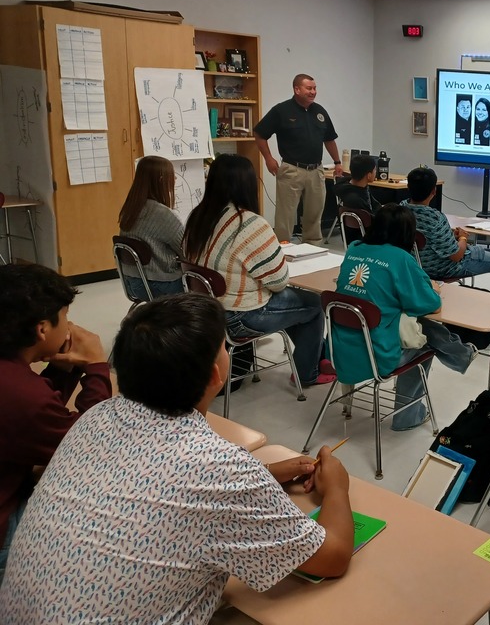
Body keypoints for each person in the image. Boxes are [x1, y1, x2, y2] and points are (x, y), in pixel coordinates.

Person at [0, 294, 354, 623]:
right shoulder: (221, 469)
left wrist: (262, 475)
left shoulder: (97, 415)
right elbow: (332, 558)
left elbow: (148, 482)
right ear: (216, 375)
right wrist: (337, 488)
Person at [0, 263, 111, 584]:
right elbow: (92, 445)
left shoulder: (15, 380)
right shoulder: (20, 394)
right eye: (64, 318)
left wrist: (65, 370)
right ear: (42, 329)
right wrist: (96, 366)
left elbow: (35, 420)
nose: (70, 327)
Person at [182, 154, 331, 387]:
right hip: (239, 316)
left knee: (295, 305)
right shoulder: (249, 223)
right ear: (248, 185)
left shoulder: (197, 218)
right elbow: (279, 282)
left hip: (205, 311)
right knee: (312, 304)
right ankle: (307, 373)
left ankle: (317, 356)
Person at [333, 204, 477, 431]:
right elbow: (429, 303)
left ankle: (463, 354)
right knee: (424, 339)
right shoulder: (400, 258)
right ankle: (406, 417)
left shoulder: (354, 249)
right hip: (377, 356)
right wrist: (431, 288)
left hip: (341, 351)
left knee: (420, 327)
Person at [255, 74, 344, 243]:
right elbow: (259, 134)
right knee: (285, 215)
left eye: (314, 88)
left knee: (315, 213)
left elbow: (329, 139)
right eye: (309, 88)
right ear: (297, 89)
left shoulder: (320, 111)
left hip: (316, 171)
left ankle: (313, 248)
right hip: (291, 169)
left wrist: (337, 162)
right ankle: (282, 250)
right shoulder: (281, 110)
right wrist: (268, 158)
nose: (313, 92)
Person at [403, 167, 490, 281]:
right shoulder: (435, 218)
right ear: (434, 191)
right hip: (449, 268)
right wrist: (463, 238)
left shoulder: (400, 210)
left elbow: (425, 241)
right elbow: (456, 256)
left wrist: (449, 236)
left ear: (408, 187)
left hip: (416, 267)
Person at [117, 155, 186, 299]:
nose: (175, 180)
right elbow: (187, 250)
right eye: (172, 176)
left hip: (132, 282)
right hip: (160, 286)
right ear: (161, 180)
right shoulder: (163, 214)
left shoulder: (131, 208)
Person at [334, 154, 380, 244]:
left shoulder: (352, 189)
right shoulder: (355, 199)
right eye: (374, 170)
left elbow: (374, 205)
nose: (376, 172)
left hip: (353, 241)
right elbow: (373, 220)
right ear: (369, 175)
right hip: (365, 240)